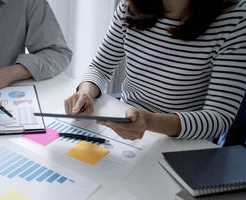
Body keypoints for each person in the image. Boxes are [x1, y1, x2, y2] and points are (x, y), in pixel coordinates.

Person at [65, 0, 246, 140]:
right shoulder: (130, 6)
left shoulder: (235, 20)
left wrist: (149, 121)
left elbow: (218, 118)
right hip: (126, 128)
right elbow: (100, 68)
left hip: (181, 142)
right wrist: (86, 92)